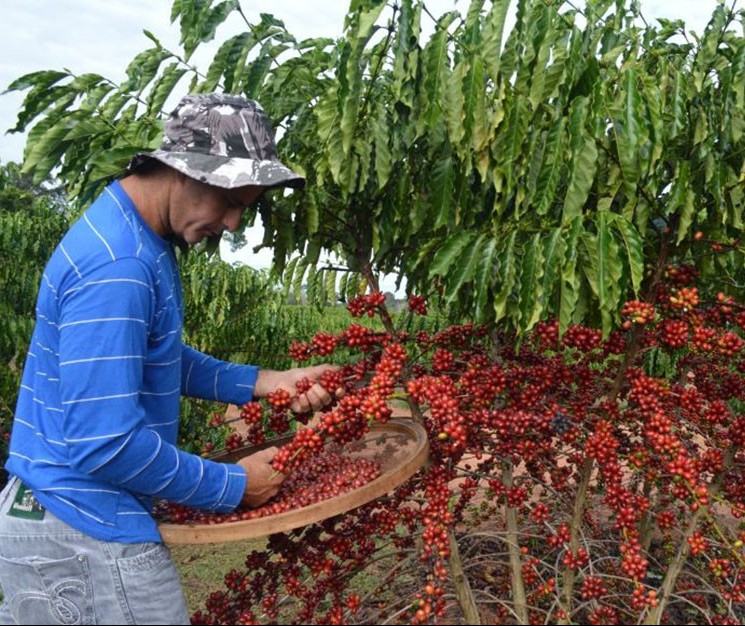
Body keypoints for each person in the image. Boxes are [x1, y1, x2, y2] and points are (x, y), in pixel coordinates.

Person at [0, 93, 341, 625]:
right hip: (82, 529)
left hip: (59, 517)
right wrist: (231, 485)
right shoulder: (120, 267)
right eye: (228, 201)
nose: (232, 224)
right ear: (182, 170)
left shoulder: (133, 236)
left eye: (244, 208)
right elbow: (106, 445)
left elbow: (152, 358)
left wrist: (268, 382)